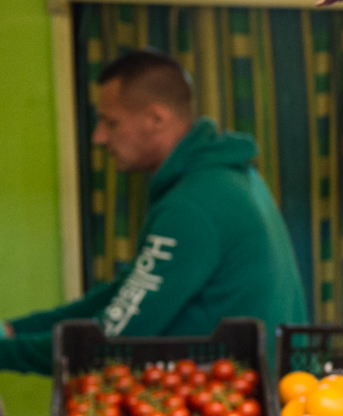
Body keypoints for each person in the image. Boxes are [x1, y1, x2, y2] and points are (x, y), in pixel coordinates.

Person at [0, 50, 307, 374]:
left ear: (156, 118)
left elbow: (111, 340)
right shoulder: (230, 178)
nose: (99, 137)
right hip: (256, 391)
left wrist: (6, 352)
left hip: (230, 407)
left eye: (111, 122)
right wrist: (14, 330)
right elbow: (126, 294)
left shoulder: (192, 205)